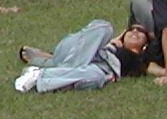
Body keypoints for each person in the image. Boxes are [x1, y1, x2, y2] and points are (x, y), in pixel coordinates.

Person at [13, 20, 154, 93]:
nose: (135, 31)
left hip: (96, 66)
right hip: (77, 53)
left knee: (96, 77)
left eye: (141, 31)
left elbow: (162, 71)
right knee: (105, 26)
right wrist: (115, 41)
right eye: (131, 29)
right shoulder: (106, 43)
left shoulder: (140, 60)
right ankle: (58, 72)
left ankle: (39, 76)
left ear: (146, 43)